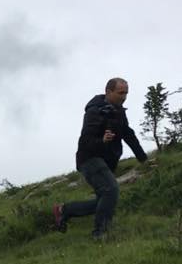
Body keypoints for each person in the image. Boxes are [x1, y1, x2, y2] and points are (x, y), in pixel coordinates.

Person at [54, 78, 148, 239]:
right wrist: (102, 141)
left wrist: (143, 159)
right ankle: (100, 233)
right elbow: (86, 141)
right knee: (111, 190)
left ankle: (64, 210)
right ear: (108, 92)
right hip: (89, 159)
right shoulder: (94, 111)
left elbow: (128, 134)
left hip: (107, 161)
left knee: (104, 200)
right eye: (120, 93)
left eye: (126, 93)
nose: (124, 97)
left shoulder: (119, 111)